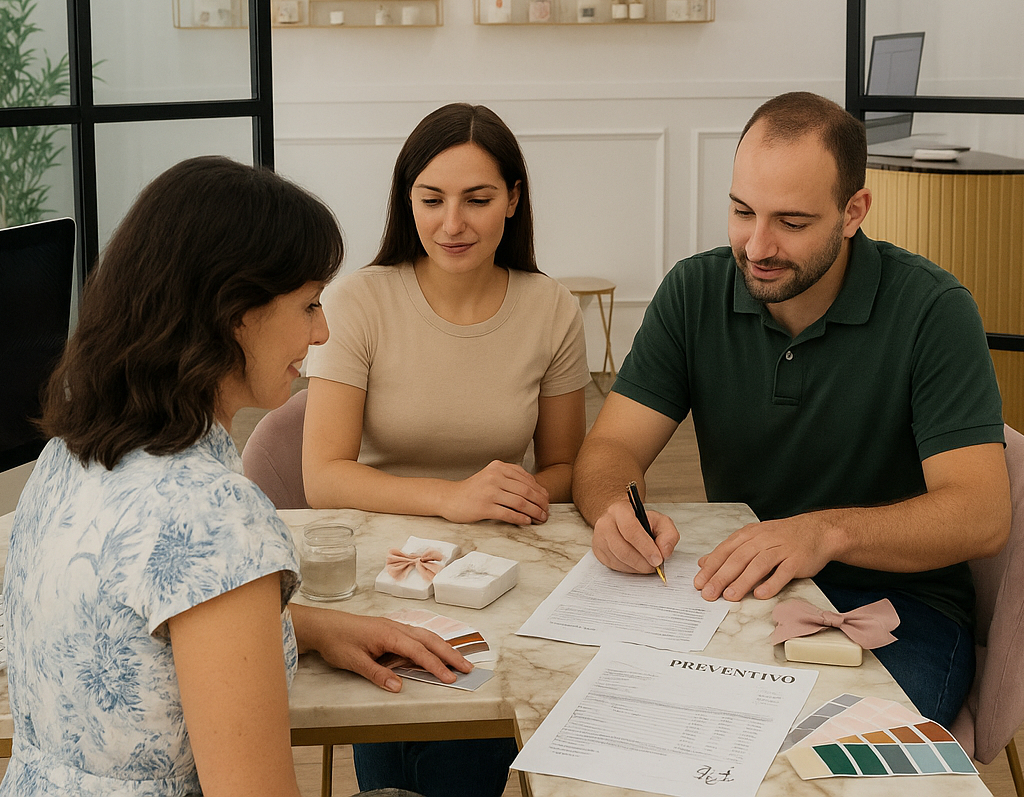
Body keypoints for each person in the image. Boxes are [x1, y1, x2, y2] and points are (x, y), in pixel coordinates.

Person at [1, 156, 471, 797]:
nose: (323, 329)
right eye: (308, 304)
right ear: (234, 313)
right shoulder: (214, 513)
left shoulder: (73, 452)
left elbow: (133, 627)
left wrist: (307, 627)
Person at [572, 92, 1011, 727]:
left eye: (792, 223)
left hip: (899, 612)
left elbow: (981, 513)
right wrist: (615, 507)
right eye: (741, 211)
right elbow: (611, 451)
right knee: (633, 730)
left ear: (854, 211)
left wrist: (825, 532)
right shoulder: (694, 292)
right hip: (746, 592)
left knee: (815, 767)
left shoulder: (933, 311)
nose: (756, 246)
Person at [303, 103, 591, 795]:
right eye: (431, 199)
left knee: (477, 733)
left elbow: (564, 469)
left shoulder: (551, 307)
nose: (452, 223)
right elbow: (322, 477)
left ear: (513, 202)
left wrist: (518, 493)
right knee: (419, 733)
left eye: (478, 199)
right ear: (408, 201)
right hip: (381, 570)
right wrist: (451, 498)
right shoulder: (358, 302)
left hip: (499, 563)